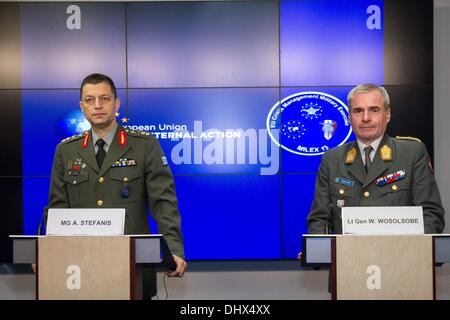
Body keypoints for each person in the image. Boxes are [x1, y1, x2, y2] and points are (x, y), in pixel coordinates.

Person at [47, 73, 187, 298]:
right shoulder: (66, 151)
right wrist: (47, 254)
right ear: (81, 106)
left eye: (105, 99)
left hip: (133, 264)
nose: (97, 106)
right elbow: (57, 208)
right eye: (90, 100)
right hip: (81, 267)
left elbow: (164, 203)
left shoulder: (144, 145)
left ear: (117, 103)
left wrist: (174, 251)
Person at [307, 83, 445, 234]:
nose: (366, 118)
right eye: (358, 111)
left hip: (400, 254)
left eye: (374, 110)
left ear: (387, 115)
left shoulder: (412, 153)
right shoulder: (332, 159)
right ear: (349, 118)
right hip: (349, 255)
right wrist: (318, 250)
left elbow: (431, 216)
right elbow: (319, 221)